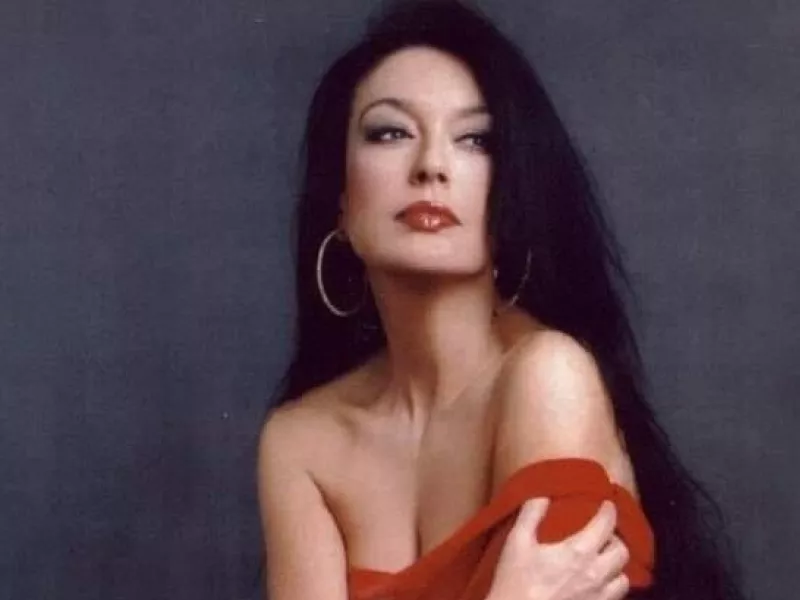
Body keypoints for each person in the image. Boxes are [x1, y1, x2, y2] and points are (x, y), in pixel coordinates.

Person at [257, 1, 745, 599]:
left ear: (512, 188)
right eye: (390, 132)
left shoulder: (547, 376)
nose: (431, 166)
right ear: (339, 195)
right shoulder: (300, 442)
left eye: (475, 140)